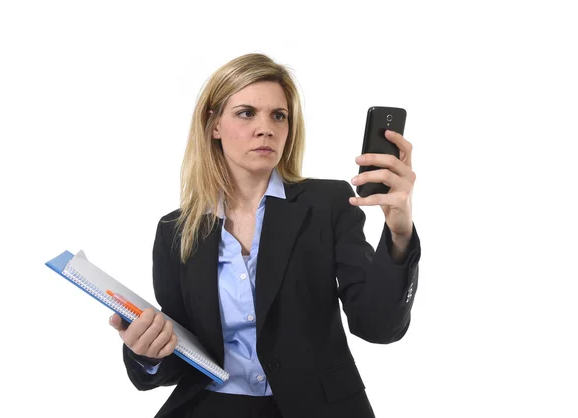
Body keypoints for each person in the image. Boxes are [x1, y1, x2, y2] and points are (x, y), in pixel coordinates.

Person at [109, 53, 421, 418]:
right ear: (214, 126)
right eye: (246, 113)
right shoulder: (176, 230)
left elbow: (378, 327)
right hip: (211, 407)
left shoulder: (328, 204)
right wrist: (147, 353)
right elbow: (181, 357)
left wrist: (399, 233)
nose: (266, 128)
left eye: (279, 115)